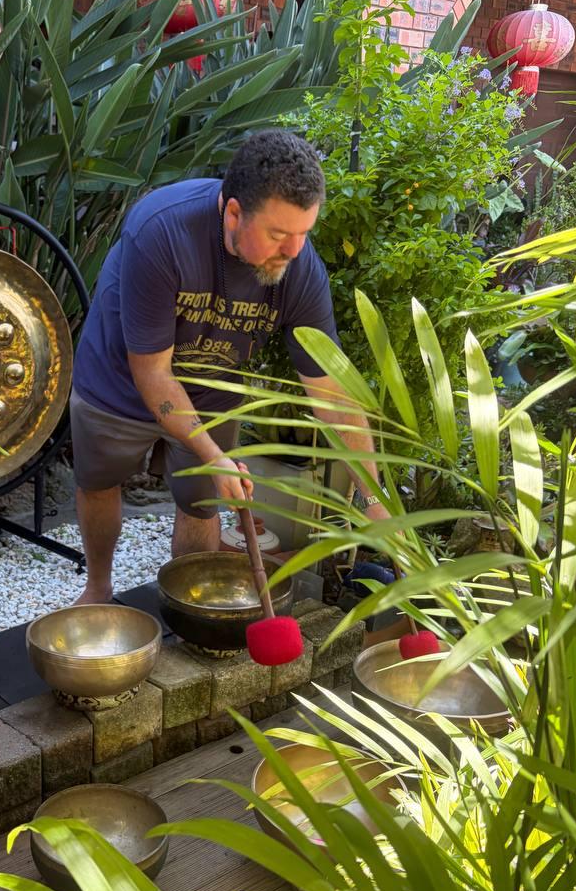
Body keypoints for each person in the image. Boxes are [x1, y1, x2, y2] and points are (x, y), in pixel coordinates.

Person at [69, 128, 390, 604]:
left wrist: (376, 501)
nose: (294, 251)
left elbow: (333, 394)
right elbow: (154, 373)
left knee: (203, 503)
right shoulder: (162, 232)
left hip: (213, 385)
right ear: (234, 211)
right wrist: (212, 455)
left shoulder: (300, 271)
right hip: (118, 381)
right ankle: (97, 589)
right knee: (98, 484)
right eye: (279, 234)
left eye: (304, 233)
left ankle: (187, 602)